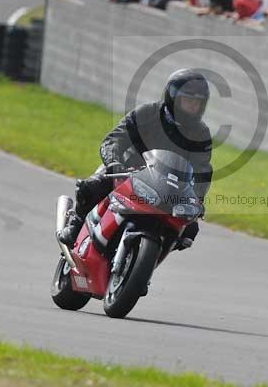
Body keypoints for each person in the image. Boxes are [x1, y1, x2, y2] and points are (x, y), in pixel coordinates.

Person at [58, 69, 213, 251]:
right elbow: (113, 140)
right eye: (188, 101)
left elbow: (202, 171)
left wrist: (196, 199)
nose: (193, 107)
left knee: (189, 230)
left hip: (168, 189)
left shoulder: (201, 134)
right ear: (173, 98)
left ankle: (145, 263)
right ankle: (76, 225)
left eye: (197, 103)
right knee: (91, 186)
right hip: (127, 173)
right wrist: (115, 164)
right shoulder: (146, 114)